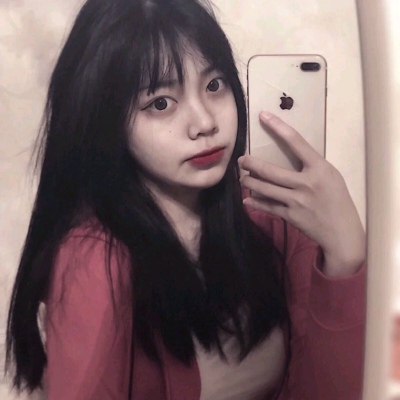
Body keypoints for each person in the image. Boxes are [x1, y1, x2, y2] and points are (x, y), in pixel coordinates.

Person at [5, 0, 366, 399]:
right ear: (105, 122)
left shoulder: (270, 210)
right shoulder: (93, 258)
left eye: (214, 85)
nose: (205, 122)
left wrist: (344, 257)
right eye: (160, 103)